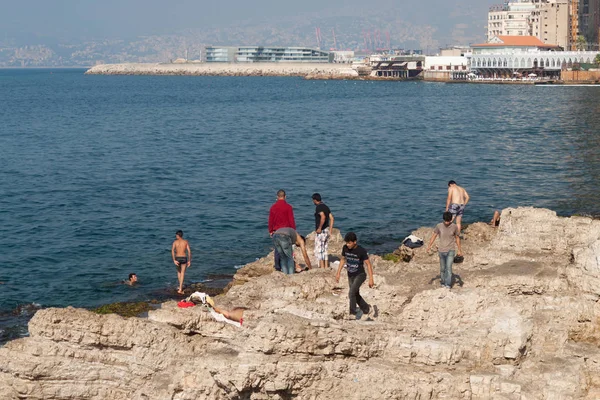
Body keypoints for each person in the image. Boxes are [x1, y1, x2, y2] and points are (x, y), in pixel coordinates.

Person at [335, 232, 374, 320]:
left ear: (354, 242)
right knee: (355, 294)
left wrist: (371, 279)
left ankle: (352, 313)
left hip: (360, 275)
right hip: (350, 274)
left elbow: (368, 264)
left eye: (349, 243)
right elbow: (342, 260)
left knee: (351, 293)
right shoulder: (345, 248)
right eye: (346, 243)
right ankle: (366, 308)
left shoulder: (361, 251)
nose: (347, 245)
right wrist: (338, 273)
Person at [425, 212, 463, 289]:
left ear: (451, 219)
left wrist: (459, 250)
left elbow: (457, 238)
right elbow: (434, 235)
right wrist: (429, 246)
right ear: (443, 219)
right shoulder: (439, 226)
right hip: (441, 250)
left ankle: (448, 285)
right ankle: (443, 282)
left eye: (448, 221)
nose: (447, 222)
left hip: (451, 250)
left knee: (448, 268)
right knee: (442, 268)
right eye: (445, 221)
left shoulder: (454, 227)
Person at [268, 189, 296, 271]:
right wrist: (293, 231)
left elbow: (270, 220)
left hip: (276, 231)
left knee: (278, 250)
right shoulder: (288, 207)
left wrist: (270, 230)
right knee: (288, 253)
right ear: (285, 197)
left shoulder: (273, 207)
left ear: (277, 197)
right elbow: (291, 220)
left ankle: (278, 267)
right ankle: (289, 270)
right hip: (287, 232)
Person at [312, 193, 335, 269]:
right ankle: (325, 265)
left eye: (313, 200)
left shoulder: (318, 207)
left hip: (321, 231)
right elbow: (332, 218)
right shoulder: (326, 207)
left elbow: (323, 216)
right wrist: (330, 230)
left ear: (315, 200)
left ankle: (322, 267)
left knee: (320, 249)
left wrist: (319, 228)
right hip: (326, 230)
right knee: (325, 249)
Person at [171, 230, 192, 295]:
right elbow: (189, 251)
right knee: (182, 272)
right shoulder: (185, 242)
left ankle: (180, 286)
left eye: (176, 235)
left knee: (179, 272)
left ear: (178, 235)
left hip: (177, 258)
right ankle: (180, 288)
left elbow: (172, 251)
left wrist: (174, 260)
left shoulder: (175, 242)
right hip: (183, 258)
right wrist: (189, 260)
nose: (175, 236)